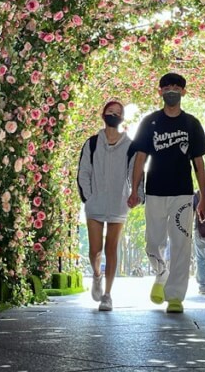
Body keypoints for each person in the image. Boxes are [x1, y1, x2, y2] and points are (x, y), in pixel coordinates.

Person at [128, 73, 205, 313]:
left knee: (181, 243)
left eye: (176, 87)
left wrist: (202, 197)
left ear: (184, 92)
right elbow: (140, 158)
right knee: (153, 242)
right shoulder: (150, 122)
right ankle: (160, 274)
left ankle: (175, 296)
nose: (171, 90)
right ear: (160, 91)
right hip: (155, 191)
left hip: (182, 194)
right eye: (167, 87)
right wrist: (134, 189)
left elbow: (199, 162)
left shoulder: (191, 123)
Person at [78, 100, 136, 312]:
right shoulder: (92, 143)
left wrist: (134, 195)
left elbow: (134, 172)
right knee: (95, 250)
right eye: (110, 111)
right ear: (103, 114)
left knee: (111, 249)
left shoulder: (130, 146)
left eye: (118, 112)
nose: (113, 114)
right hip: (95, 203)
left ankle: (108, 295)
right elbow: (84, 171)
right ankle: (96, 275)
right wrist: (89, 197)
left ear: (122, 118)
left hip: (118, 204)